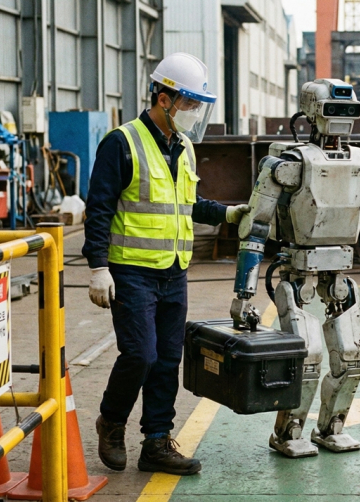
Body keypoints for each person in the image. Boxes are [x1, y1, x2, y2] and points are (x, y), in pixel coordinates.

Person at [82, 52, 249, 475]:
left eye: (197, 105)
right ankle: (112, 422)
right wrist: (97, 266)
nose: (193, 113)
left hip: (174, 272)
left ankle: (156, 442)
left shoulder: (186, 148)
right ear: (163, 97)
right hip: (131, 271)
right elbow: (99, 208)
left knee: (167, 360)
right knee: (139, 354)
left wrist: (228, 214)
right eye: (188, 104)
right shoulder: (122, 142)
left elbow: (187, 204)